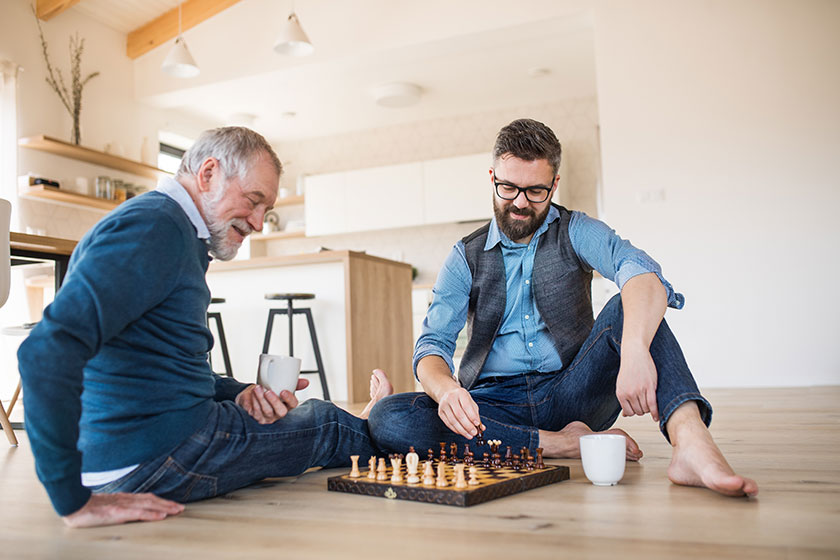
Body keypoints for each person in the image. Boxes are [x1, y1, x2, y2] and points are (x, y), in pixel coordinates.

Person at [18, 127, 393, 528]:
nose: (259, 223)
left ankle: (366, 424)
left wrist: (241, 393)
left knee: (307, 417)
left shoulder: (172, 228)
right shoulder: (154, 229)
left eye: (265, 209)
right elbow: (45, 353)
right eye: (253, 201)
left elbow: (164, 362)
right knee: (326, 423)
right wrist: (71, 501)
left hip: (140, 445)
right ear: (209, 173)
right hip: (153, 454)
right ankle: (370, 425)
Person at [368, 118, 757, 497]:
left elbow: (644, 276)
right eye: (508, 188)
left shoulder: (577, 230)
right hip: (492, 408)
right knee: (391, 417)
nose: (519, 203)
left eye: (535, 191)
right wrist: (448, 391)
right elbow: (431, 348)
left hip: (573, 392)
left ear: (554, 185)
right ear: (492, 179)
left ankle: (690, 441)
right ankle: (565, 444)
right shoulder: (463, 256)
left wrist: (635, 349)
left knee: (630, 304)